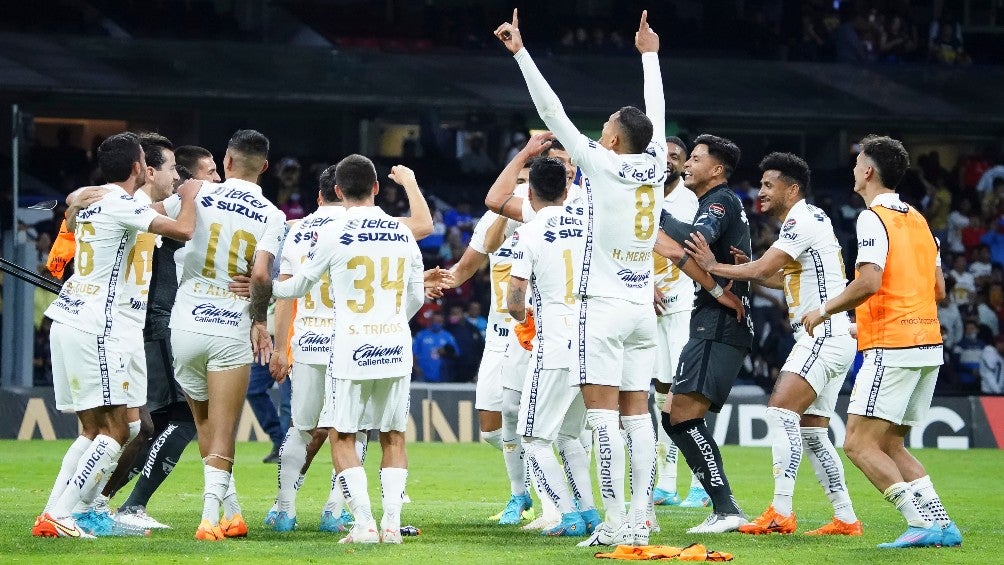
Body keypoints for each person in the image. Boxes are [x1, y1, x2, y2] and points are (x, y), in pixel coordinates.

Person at [494, 10, 666, 546]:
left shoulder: (603, 164)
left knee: (602, 419)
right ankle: (640, 519)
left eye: (607, 125)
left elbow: (552, 111)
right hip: (642, 308)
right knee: (638, 418)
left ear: (612, 139)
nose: (601, 129)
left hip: (603, 308)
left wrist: (521, 54)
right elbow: (656, 114)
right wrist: (650, 57)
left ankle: (613, 525)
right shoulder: (658, 162)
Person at [685, 152, 862, 536]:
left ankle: (781, 511)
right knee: (813, 433)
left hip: (821, 335)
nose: (761, 191)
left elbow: (765, 268)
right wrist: (744, 266)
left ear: (792, 189)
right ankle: (846, 517)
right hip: (835, 336)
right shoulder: (812, 218)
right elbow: (782, 279)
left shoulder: (800, 219)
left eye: (769, 184)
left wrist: (713, 266)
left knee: (781, 413)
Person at [33, 132, 198, 538]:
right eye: (171, 168)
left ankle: (62, 511)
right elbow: (184, 230)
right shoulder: (123, 204)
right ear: (142, 168)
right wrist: (192, 196)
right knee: (115, 430)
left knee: (114, 429)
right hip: (100, 325)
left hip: (94, 321)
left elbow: (77, 204)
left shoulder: (103, 200)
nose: (178, 177)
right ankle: (65, 513)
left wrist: (73, 199)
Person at [801, 135, 961, 548]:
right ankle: (942, 523)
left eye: (858, 163)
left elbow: (869, 282)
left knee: (857, 443)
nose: (854, 170)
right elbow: (938, 289)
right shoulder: (920, 221)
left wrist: (824, 311)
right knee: (890, 443)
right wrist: (866, 324)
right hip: (927, 344)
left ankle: (919, 521)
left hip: (894, 347)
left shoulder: (872, 218)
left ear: (869, 171)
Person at [266, 162, 433, 533]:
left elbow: (292, 290)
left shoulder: (302, 230)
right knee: (370, 433)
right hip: (379, 343)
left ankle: (285, 510)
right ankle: (341, 513)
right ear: (376, 187)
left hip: (316, 342)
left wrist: (265, 296)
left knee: (304, 428)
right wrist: (392, 319)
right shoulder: (398, 231)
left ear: (332, 192)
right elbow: (416, 291)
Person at [164, 129, 286, 541]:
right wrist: (259, 320)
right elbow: (262, 276)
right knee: (223, 431)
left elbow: (144, 210)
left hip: (185, 322)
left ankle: (232, 513)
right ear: (264, 167)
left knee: (203, 422)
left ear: (227, 161)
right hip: (230, 326)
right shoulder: (272, 214)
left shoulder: (196, 191)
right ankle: (208, 518)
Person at [113, 145, 222, 530]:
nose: (216, 180)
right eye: (209, 172)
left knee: (152, 425)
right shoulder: (173, 207)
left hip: (159, 321)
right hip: (159, 322)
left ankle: (101, 502)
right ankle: (127, 506)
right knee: (183, 418)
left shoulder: (172, 206)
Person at [655, 133, 753, 534]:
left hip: (718, 323)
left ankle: (726, 508)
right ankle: (721, 505)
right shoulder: (718, 202)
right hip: (710, 320)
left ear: (716, 169)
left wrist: (653, 215)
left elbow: (697, 242)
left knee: (682, 416)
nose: (688, 165)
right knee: (672, 415)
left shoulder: (719, 201)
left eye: (695, 159)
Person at [507, 156, 599, 537]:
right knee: (569, 436)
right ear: (566, 189)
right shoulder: (590, 226)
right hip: (591, 342)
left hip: (555, 344)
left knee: (533, 438)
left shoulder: (528, 233)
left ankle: (567, 515)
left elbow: (515, 300)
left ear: (529, 193)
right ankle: (590, 514)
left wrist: (524, 317)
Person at [648, 136, 706, 510]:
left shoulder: (692, 201)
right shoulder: (642, 197)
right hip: (651, 309)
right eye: (662, 155)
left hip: (686, 305)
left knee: (687, 394)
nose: (667, 160)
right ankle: (667, 483)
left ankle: (700, 483)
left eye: (675, 156)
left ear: (684, 164)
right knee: (662, 393)